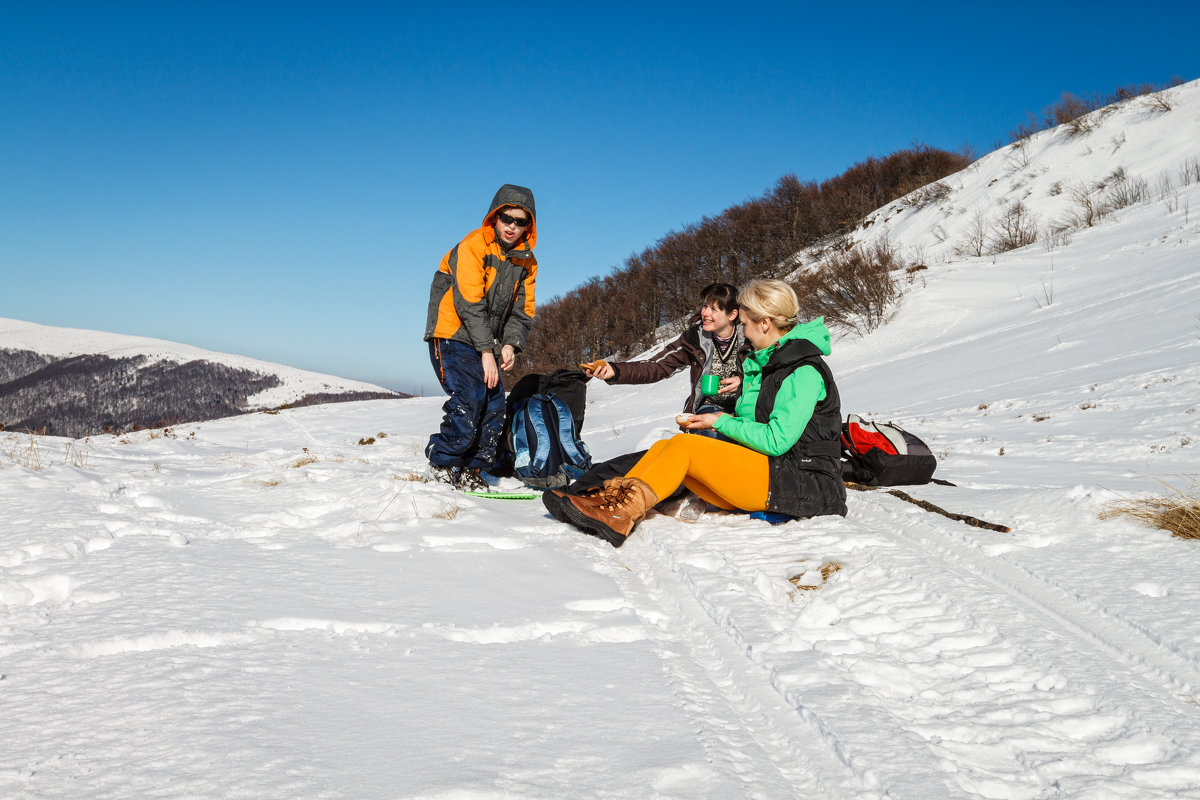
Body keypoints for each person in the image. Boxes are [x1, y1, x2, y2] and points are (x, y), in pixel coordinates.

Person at [544, 279, 847, 546]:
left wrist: (721, 420)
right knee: (670, 445)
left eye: (745, 322)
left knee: (686, 447)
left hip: (804, 484)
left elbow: (777, 440)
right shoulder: (769, 362)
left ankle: (618, 514)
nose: (743, 329)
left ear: (764, 323)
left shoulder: (803, 369)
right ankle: (610, 500)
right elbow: (660, 366)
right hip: (773, 471)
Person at [423, 184, 537, 492]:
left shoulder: (526, 261)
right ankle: (444, 464)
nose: (512, 226)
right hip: (454, 333)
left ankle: (475, 469)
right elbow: (469, 302)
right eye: (506, 218)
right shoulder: (474, 244)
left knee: (494, 406)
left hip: (488, 341)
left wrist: (510, 344)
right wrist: (488, 351)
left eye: (520, 220)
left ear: (529, 224)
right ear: (494, 217)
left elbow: (522, 311)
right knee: (470, 398)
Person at [583, 282, 747, 418]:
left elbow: (769, 373)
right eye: (705, 306)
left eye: (714, 309)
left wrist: (744, 382)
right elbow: (658, 366)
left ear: (732, 314)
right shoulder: (694, 339)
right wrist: (615, 370)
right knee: (709, 437)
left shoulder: (751, 338)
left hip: (747, 405)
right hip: (710, 406)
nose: (705, 313)